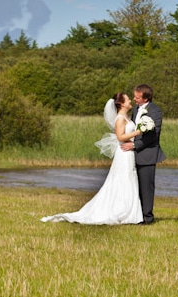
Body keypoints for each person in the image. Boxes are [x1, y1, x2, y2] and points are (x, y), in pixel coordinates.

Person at [41, 92, 144, 225]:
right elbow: (120, 137)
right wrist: (138, 132)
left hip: (129, 153)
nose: (130, 100)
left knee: (129, 177)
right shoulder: (120, 119)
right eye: (128, 99)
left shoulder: (126, 117)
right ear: (122, 104)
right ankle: (121, 211)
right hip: (124, 153)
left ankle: (131, 213)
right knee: (123, 178)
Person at [120, 83, 166, 224]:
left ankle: (147, 217)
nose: (134, 99)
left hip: (147, 154)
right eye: (134, 96)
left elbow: (153, 135)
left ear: (146, 98)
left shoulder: (155, 111)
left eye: (137, 97)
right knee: (135, 185)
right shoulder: (135, 110)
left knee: (146, 186)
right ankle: (136, 215)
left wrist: (134, 145)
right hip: (133, 154)